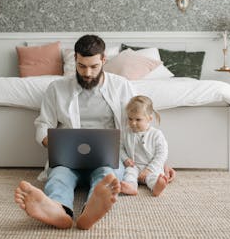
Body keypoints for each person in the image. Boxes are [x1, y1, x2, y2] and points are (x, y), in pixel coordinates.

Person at [14, 34, 176, 230]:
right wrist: (56, 146)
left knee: (107, 176)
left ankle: (90, 209)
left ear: (103, 60)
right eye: (82, 66)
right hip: (68, 158)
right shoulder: (57, 88)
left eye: (94, 66)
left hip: (107, 157)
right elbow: (42, 125)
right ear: (75, 59)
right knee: (58, 177)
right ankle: (58, 210)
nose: (88, 73)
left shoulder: (121, 86)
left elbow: (139, 123)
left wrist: (158, 163)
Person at [119, 96, 169, 197]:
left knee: (153, 177)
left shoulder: (156, 134)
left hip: (150, 167)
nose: (133, 123)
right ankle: (131, 187)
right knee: (129, 174)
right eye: (130, 119)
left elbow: (162, 154)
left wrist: (149, 169)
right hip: (134, 166)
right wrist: (125, 159)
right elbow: (120, 148)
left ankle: (156, 187)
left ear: (149, 119)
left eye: (138, 119)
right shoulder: (126, 133)